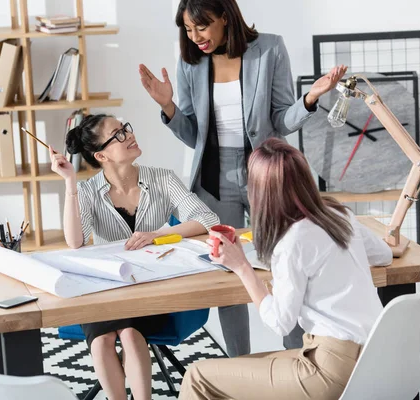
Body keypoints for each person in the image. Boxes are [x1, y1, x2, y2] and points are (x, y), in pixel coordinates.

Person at [139, 0, 347, 355]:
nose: (195, 37)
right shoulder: (191, 61)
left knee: (286, 258)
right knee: (226, 266)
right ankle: (241, 361)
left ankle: (297, 356)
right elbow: (194, 136)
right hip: (214, 176)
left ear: (224, 16)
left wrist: (310, 98)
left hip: (264, 171)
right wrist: (168, 107)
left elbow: (281, 120)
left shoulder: (268, 49)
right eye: (188, 30)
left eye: (201, 27)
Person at [178, 138, 393, 400]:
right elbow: (383, 254)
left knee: (198, 377)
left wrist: (241, 266)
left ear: (259, 192)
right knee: (237, 373)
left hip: (330, 371)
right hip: (373, 359)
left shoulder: (292, 243)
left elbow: (281, 322)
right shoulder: (339, 214)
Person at [49, 113, 220, 400]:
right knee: (103, 341)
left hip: (150, 289)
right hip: (105, 290)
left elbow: (208, 219)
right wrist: (70, 183)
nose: (128, 135)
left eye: (125, 128)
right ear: (101, 155)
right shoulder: (88, 191)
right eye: (117, 134)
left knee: (129, 334)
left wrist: (158, 235)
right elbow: (74, 241)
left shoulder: (162, 178)